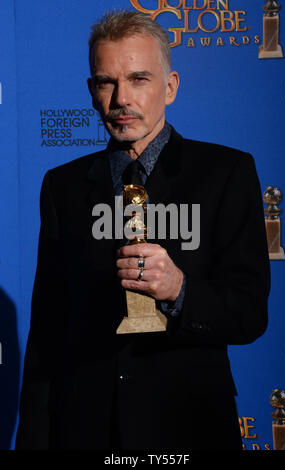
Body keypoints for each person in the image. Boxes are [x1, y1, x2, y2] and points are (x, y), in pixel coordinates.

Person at [15, 10, 270, 450]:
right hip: (86, 428)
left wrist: (179, 289)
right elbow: (47, 333)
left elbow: (249, 314)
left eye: (138, 79)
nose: (120, 100)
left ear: (170, 87)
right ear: (92, 92)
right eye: (105, 82)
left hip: (190, 427)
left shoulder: (226, 172)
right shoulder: (64, 186)